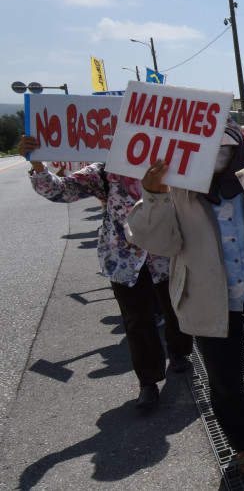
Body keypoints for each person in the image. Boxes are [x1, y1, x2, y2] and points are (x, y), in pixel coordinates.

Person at [125, 119, 244, 481]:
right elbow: (159, 243)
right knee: (225, 382)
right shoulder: (177, 190)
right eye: (206, 151)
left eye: (225, 149)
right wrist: (154, 196)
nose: (216, 157)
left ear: (239, 149)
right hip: (208, 300)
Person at [18, 136, 192, 408]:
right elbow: (61, 190)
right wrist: (38, 164)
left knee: (176, 309)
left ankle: (179, 352)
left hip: (165, 255)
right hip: (123, 258)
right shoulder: (104, 172)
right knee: (137, 320)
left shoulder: (173, 168)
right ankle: (148, 381)